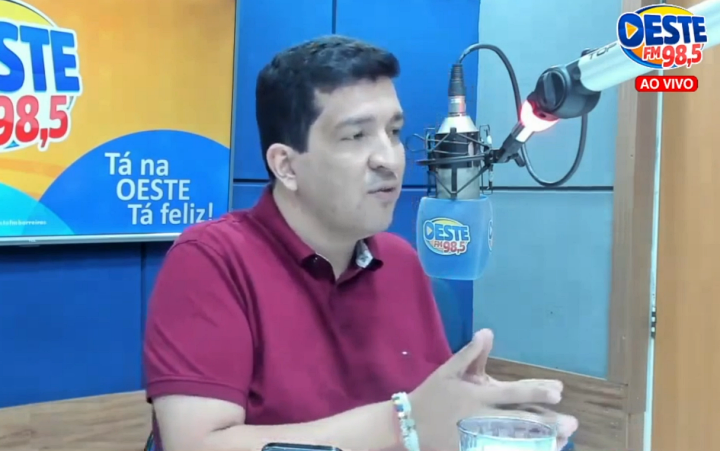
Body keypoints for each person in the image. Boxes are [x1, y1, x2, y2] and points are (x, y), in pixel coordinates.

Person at [142, 35, 578, 451]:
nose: (389, 159)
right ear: (286, 166)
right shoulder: (212, 260)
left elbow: (432, 422)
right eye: (356, 136)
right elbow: (196, 445)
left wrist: (479, 419)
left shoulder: (402, 263)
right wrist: (406, 422)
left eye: (394, 131)